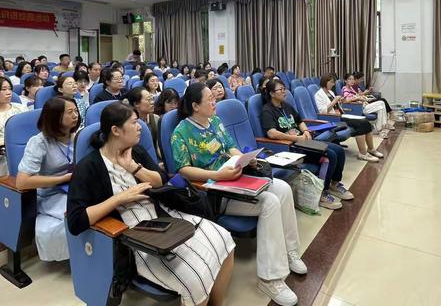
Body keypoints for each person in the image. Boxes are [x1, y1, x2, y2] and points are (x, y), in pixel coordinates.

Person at [67, 102, 235, 306]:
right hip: (134, 236)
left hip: (162, 217)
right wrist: (119, 198)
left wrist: (133, 167)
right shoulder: (89, 166)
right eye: (134, 123)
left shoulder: (134, 152)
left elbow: (161, 180)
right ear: (115, 130)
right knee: (194, 279)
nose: (140, 127)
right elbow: (76, 221)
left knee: (225, 239)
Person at [171, 83, 307, 306]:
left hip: (233, 176)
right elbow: (183, 169)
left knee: (282, 188)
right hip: (214, 188)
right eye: (209, 99)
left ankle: (291, 252)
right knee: (270, 202)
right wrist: (218, 174)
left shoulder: (214, 121)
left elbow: (230, 147)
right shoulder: (181, 132)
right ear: (195, 106)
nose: (215, 101)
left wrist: (245, 159)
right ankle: (270, 278)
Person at [261, 79, 354, 210]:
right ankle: (321, 193)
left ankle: (335, 183)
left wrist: (305, 131)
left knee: (338, 150)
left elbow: (300, 121)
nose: (284, 92)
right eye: (280, 89)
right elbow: (272, 133)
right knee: (331, 155)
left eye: (284, 89)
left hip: (304, 142)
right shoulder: (267, 110)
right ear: (271, 93)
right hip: (291, 147)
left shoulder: (286, 106)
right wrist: (295, 138)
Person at [16, 97, 80, 261]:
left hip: (76, 187)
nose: (76, 115)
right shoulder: (38, 142)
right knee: (81, 213)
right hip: (51, 194)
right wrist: (62, 179)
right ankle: (81, 257)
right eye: (70, 112)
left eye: (76, 110)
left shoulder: (79, 136)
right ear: (55, 117)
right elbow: (22, 181)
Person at [314, 74, 383, 162]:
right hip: (333, 118)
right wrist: (335, 101)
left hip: (341, 114)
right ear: (325, 82)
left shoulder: (330, 92)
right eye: (331, 82)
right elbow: (323, 112)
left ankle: (371, 149)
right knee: (361, 123)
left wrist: (340, 101)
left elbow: (337, 106)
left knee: (365, 122)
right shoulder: (318, 94)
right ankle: (363, 154)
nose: (333, 84)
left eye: (333, 82)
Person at [342, 73, 390, 138]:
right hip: (358, 108)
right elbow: (346, 100)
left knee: (381, 107)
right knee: (381, 103)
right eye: (349, 79)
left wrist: (363, 98)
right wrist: (358, 98)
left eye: (353, 79)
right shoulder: (345, 89)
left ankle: (380, 129)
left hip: (363, 105)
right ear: (345, 81)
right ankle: (381, 128)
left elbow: (357, 95)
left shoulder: (351, 88)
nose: (352, 81)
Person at [0, 77, 26, 172]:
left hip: (26, 150)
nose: (9, 92)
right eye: (3, 89)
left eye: (10, 88)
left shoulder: (21, 108)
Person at [125, 87, 160, 155]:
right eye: (148, 100)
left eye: (152, 99)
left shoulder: (156, 119)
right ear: (136, 104)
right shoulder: (129, 124)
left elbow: (158, 146)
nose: (152, 102)